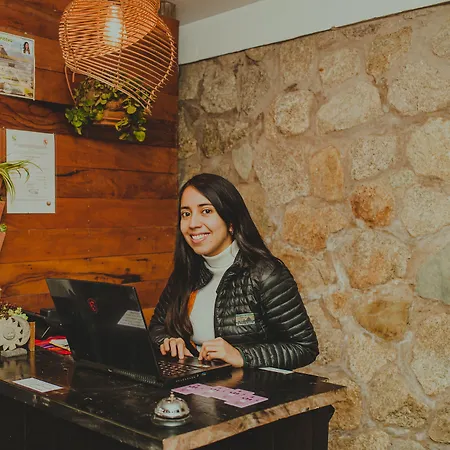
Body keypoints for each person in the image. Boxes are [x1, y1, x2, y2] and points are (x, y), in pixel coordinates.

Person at [149, 173, 319, 370]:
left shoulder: (266, 274)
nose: (193, 223)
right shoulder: (186, 272)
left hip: (253, 386)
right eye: (186, 214)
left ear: (230, 222)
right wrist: (167, 340)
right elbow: (156, 328)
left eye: (206, 211)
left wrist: (241, 355)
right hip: (198, 382)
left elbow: (304, 347)